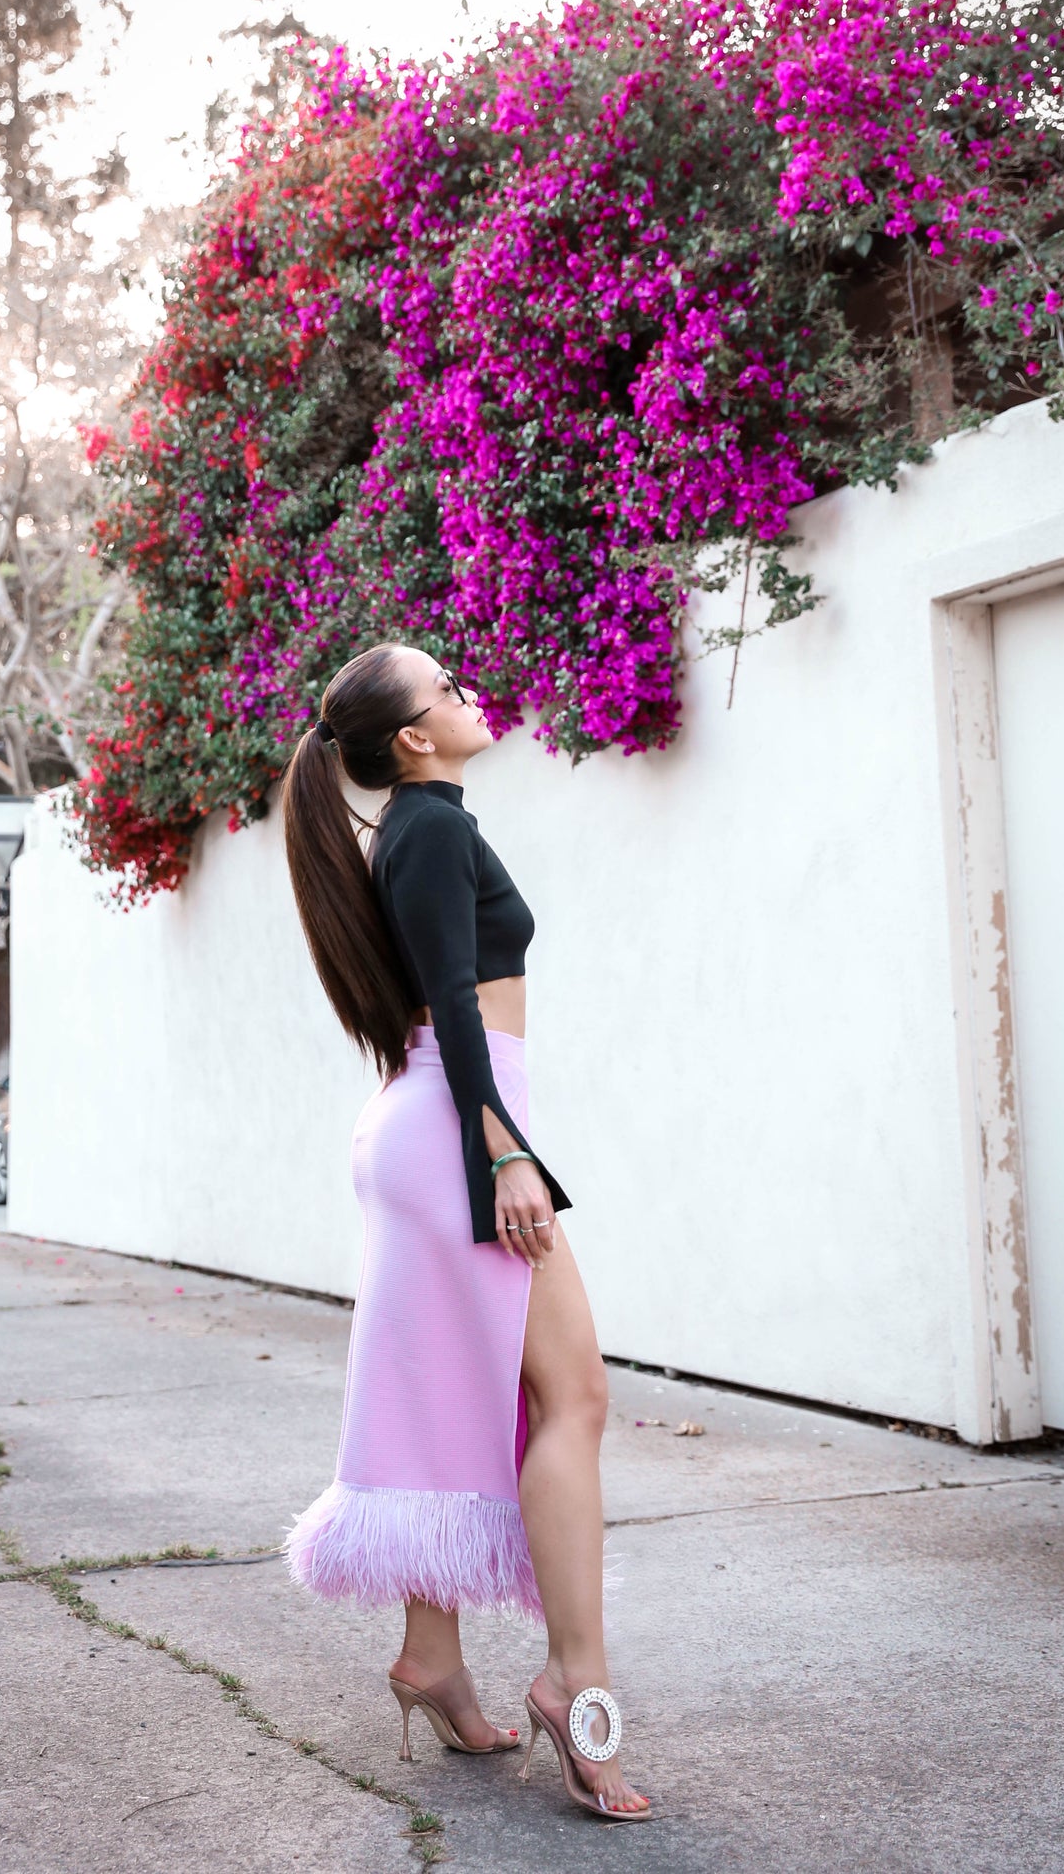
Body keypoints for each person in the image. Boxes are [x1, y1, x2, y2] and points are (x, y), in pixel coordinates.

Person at [280, 643, 650, 1823]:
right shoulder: (427, 825)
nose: (464, 691)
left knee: (470, 1399)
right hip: (457, 1126)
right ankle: (573, 1681)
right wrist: (503, 1151)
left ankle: (431, 1654)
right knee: (573, 1395)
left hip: (432, 1119)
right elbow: (450, 997)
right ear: (411, 740)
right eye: (442, 688)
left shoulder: (414, 824)